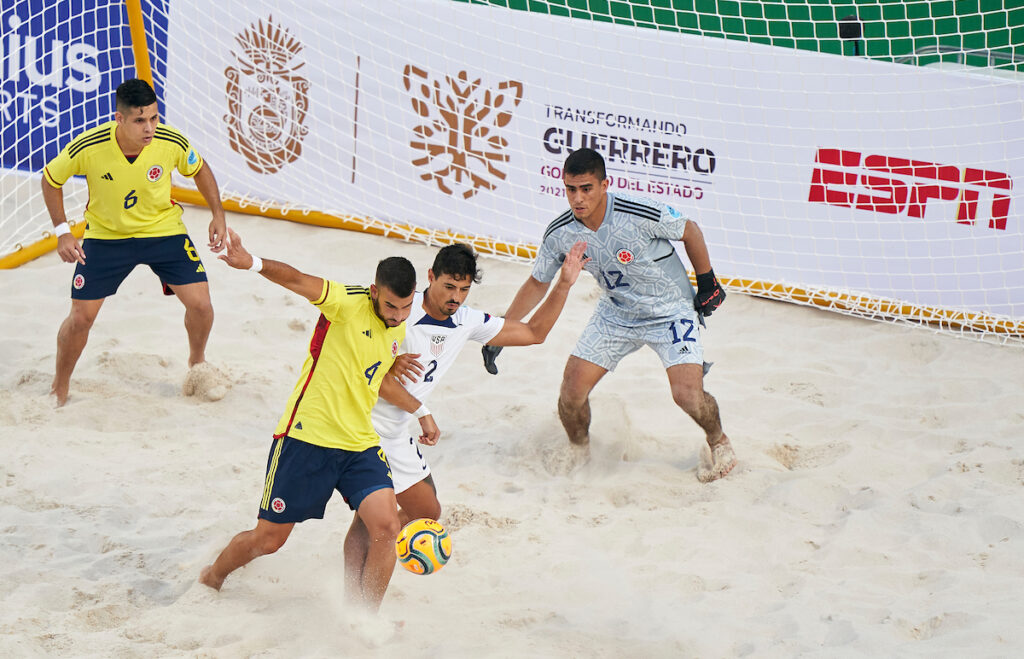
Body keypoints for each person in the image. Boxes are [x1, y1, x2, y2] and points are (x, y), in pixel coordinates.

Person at [484, 147, 735, 482]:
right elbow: (536, 282)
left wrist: (707, 282)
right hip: (616, 312)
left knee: (686, 394)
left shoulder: (636, 211)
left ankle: (718, 441)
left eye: (586, 188)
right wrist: (502, 331)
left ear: (605, 185)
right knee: (571, 391)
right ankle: (580, 450)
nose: (578, 198)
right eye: (571, 189)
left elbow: (690, 230)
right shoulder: (561, 232)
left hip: (671, 310)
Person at [199, 229, 416, 614]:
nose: (397, 315)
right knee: (268, 540)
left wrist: (418, 407)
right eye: (390, 307)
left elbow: (371, 373)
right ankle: (212, 577)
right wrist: (252, 263)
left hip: (359, 443)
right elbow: (298, 279)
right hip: (307, 437)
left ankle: (365, 619)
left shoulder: (398, 325)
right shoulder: (347, 303)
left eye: (405, 308)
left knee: (386, 528)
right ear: (373, 292)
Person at [342, 240, 587, 559]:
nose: (455, 297)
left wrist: (564, 284)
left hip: (397, 431)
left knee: (426, 512)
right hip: (364, 425)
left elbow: (533, 333)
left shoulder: (467, 321)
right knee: (376, 518)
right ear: (430, 277)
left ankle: (377, 550)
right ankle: (361, 582)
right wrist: (417, 404)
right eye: (448, 286)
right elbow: (364, 366)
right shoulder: (401, 308)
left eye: (463, 289)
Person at [41, 78, 227, 406]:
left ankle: (196, 363)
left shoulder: (169, 141)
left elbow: (199, 169)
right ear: (120, 119)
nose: (150, 128)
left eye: (154, 118)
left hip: (163, 231)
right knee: (81, 318)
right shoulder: (90, 145)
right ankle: (60, 386)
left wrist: (218, 215)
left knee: (202, 306)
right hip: (107, 236)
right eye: (140, 120)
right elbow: (51, 178)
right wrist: (63, 232)